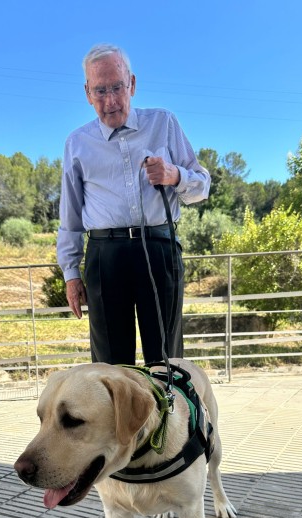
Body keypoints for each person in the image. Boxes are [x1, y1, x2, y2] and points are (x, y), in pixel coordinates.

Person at [57, 43, 210, 365]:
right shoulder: (77, 143)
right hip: (105, 256)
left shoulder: (164, 123)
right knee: (111, 369)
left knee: (167, 363)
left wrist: (174, 175)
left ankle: (167, 401)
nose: (110, 101)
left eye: (117, 88)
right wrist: (71, 274)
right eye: (100, 91)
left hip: (159, 249)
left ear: (133, 84)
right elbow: (70, 218)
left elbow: (201, 187)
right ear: (87, 93)